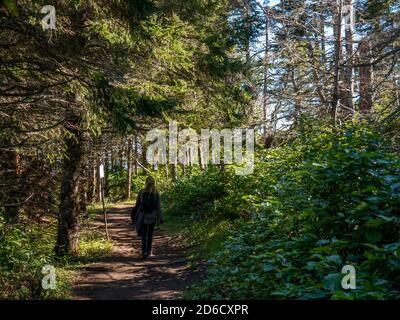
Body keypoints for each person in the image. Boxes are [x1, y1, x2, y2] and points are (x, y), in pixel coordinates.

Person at [131, 176, 163, 259]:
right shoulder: (156, 193)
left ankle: (144, 252)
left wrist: (135, 216)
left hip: (143, 215)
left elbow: (137, 205)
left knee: (144, 234)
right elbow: (158, 206)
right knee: (150, 234)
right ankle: (149, 251)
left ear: (146, 182)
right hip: (152, 216)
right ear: (154, 183)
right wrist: (161, 218)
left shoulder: (141, 192)